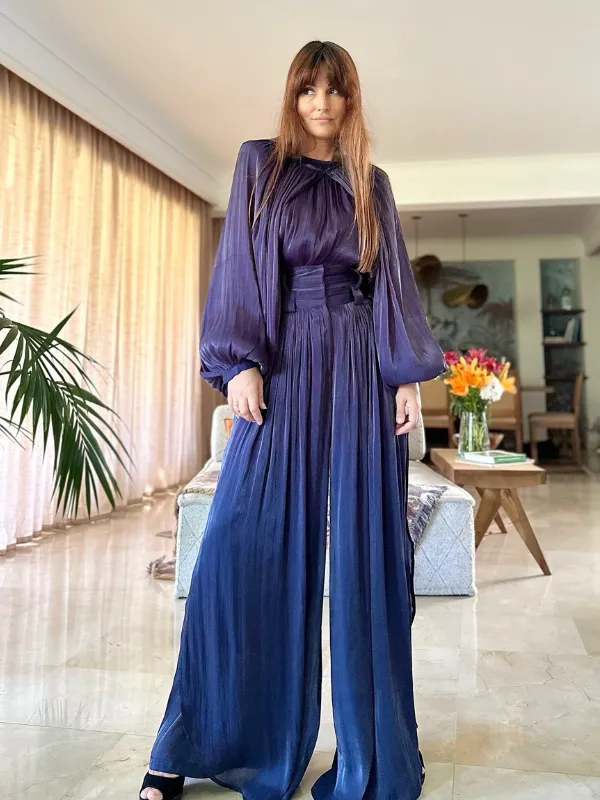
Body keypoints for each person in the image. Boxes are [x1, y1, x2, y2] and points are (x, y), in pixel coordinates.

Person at [139, 40, 445, 800]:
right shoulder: (260, 165)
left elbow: (391, 283)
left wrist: (405, 377)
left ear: (350, 100)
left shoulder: (372, 183)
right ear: (293, 96)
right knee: (235, 544)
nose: (321, 103)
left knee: (368, 556)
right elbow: (239, 264)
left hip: (361, 366)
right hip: (282, 362)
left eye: (334, 91)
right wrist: (238, 361)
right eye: (309, 89)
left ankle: (375, 756)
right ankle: (186, 745)